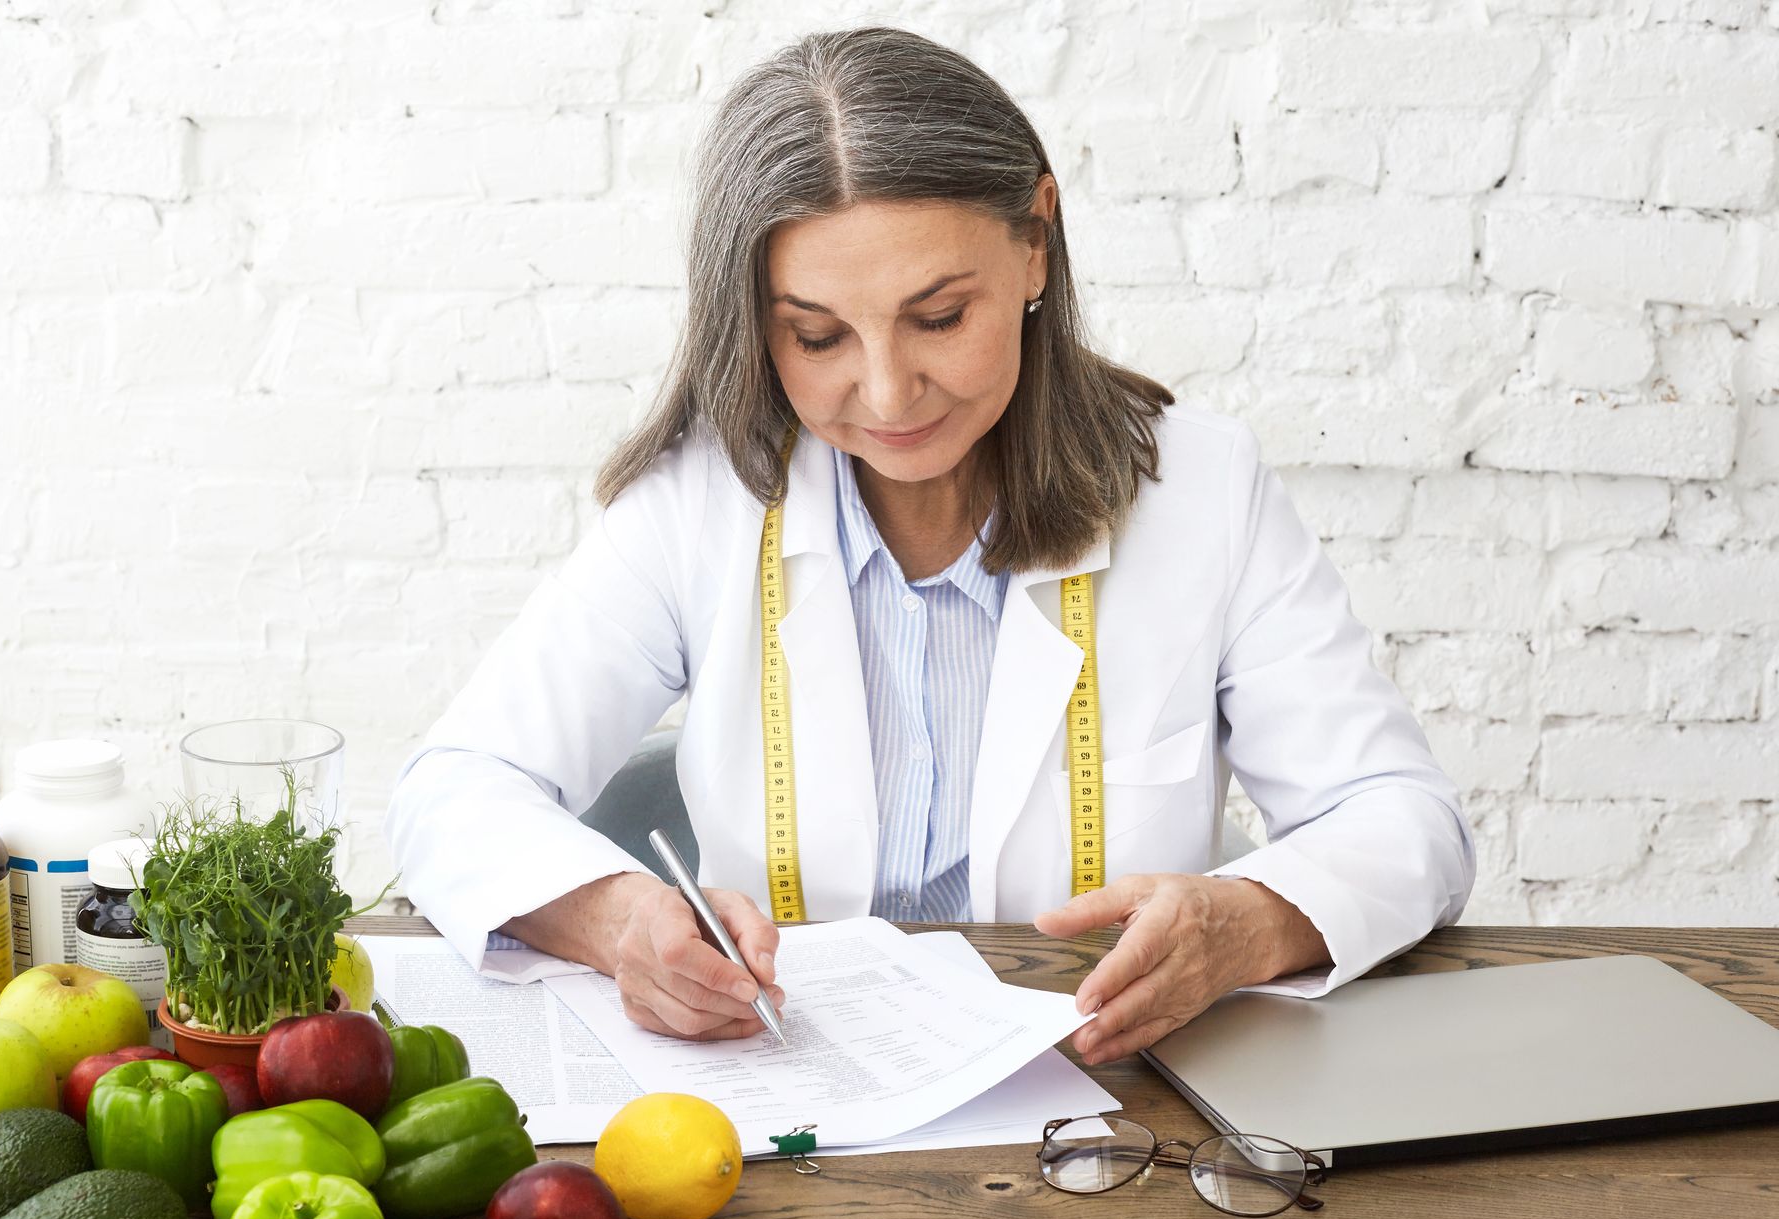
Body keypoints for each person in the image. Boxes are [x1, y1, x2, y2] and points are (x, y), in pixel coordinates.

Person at [385, 26, 1474, 1067]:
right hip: (786, 1118)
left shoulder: (1202, 492)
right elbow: (455, 788)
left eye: (940, 316)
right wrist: (614, 914)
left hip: (1108, 1113)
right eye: (816, 335)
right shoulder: (700, 505)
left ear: (1036, 238)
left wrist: (1249, 917)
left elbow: (1404, 819)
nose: (890, 389)